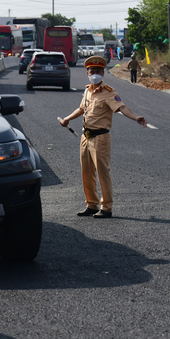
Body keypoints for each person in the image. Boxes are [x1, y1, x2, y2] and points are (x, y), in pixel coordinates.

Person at [59, 56, 147, 218]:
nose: (95, 74)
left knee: (102, 172)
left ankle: (106, 207)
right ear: (87, 73)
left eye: (98, 71)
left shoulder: (109, 92)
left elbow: (122, 108)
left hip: (101, 138)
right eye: (92, 71)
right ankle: (91, 204)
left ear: (103, 73)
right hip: (85, 137)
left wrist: (136, 117)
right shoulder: (87, 91)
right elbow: (80, 109)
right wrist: (67, 119)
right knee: (86, 172)